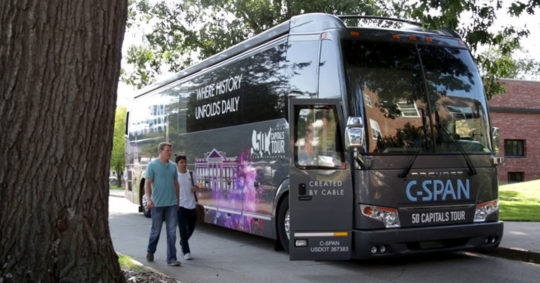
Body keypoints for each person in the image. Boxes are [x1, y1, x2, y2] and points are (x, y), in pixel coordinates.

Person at [145, 142, 181, 266]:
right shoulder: (152, 165)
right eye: (167, 151)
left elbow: (176, 183)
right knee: (156, 231)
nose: (169, 153)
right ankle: (150, 251)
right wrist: (149, 199)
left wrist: (178, 200)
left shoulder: (173, 166)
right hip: (157, 204)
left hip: (171, 204)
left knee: (172, 232)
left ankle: (171, 258)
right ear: (160, 151)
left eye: (170, 150)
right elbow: (147, 183)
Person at [175, 154, 199, 260]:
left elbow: (198, 185)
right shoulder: (175, 176)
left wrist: (196, 188)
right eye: (181, 162)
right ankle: (186, 251)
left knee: (191, 227)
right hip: (180, 206)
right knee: (182, 230)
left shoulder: (191, 174)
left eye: (185, 162)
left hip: (192, 205)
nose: (184, 164)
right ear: (177, 164)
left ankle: (182, 241)